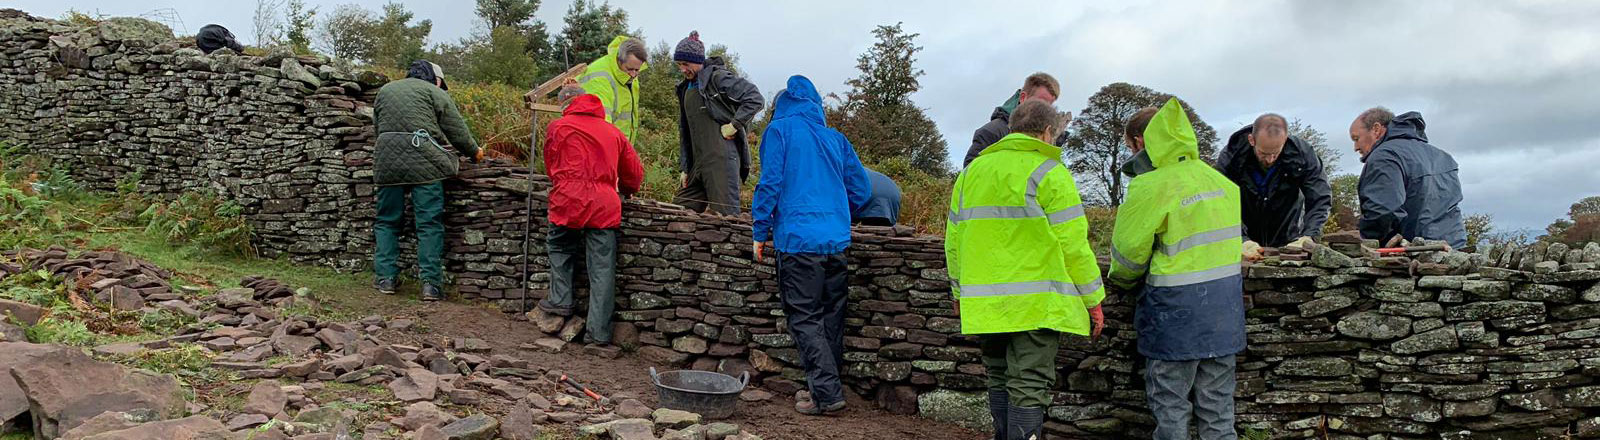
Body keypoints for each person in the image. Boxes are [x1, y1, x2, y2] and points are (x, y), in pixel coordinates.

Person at [946, 99, 1105, 440]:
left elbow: (954, 240)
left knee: (999, 376)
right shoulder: (1051, 173)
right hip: (1037, 305)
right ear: (1049, 132)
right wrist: (1093, 299)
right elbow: (1074, 245)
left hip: (986, 302)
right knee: (1029, 384)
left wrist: (959, 291)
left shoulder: (971, 174)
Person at [1108, 99, 1245, 440]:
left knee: (1170, 407)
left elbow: (1127, 259)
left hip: (1174, 315)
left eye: (1129, 145)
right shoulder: (1220, 183)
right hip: (1224, 312)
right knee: (1218, 412)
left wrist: (1122, 282)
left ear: (1141, 142)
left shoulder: (1149, 187)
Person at [751, 75, 871, 415]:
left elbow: (770, 182)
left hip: (798, 241)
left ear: (782, 106)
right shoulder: (835, 138)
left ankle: (828, 395)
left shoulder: (779, 131)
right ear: (816, 105)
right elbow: (861, 192)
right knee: (831, 317)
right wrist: (835, 210)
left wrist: (761, 230)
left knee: (804, 317)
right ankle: (822, 390)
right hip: (836, 241)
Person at [536, 91, 645, 349]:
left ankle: (560, 300)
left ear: (568, 104)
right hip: (603, 205)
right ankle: (599, 334)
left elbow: (551, 165)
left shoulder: (558, 127)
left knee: (560, 247)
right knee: (602, 269)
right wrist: (627, 190)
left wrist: (565, 182)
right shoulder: (613, 132)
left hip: (567, 199)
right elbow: (634, 172)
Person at [371, 60, 481, 301]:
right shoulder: (433, 91)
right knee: (428, 223)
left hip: (387, 162)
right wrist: (474, 152)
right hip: (425, 164)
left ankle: (385, 278)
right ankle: (430, 285)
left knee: (387, 221)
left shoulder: (386, 90)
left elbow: (378, 127)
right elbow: (456, 129)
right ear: (437, 79)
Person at [672, 31, 765, 215]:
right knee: (677, 214)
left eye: (685, 64)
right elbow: (686, 131)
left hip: (722, 160)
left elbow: (755, 98)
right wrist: (685, 167)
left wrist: (734, 125)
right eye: (679, 65)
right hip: (696, 164)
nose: (682, 69)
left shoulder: (717, 78)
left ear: (698, 60)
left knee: (726, 221)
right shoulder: (684, 88)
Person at [1350, 107, 1467, 248]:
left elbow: (1382, 212)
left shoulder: (1385, 157)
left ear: (1376, 129)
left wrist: (1368, 245)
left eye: (1356, 139)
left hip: (1414, 254)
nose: (1355, 147)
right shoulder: (1443, 157)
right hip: (1454, 249)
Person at [1215, 113, 1331, 249]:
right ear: (1252, 140)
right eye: (1263, 153)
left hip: (1288, 236)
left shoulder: (1303, 155)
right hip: (1243, 237)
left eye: (1276, 153)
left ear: (1285, 140)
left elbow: (1320, 197)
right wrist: (1240, 238)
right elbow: (1220, 201)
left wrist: (1309, 235)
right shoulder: (1231, 157)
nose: (1270, 160)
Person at [962, 73, 1061, 168]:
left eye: (1050, 104)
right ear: (1023, 97)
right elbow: (971, 174)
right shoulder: (993, 131)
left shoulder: (1050, 137)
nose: (1046, 109)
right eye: (1041, 102)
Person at [578, 36, 649, 141]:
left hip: (620, 145)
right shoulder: (599, 78)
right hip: (603, 146)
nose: (634, 74)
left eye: (637, 70)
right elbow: (600, 125)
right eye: (630, 69)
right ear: (619, 60)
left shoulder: (628, 74)